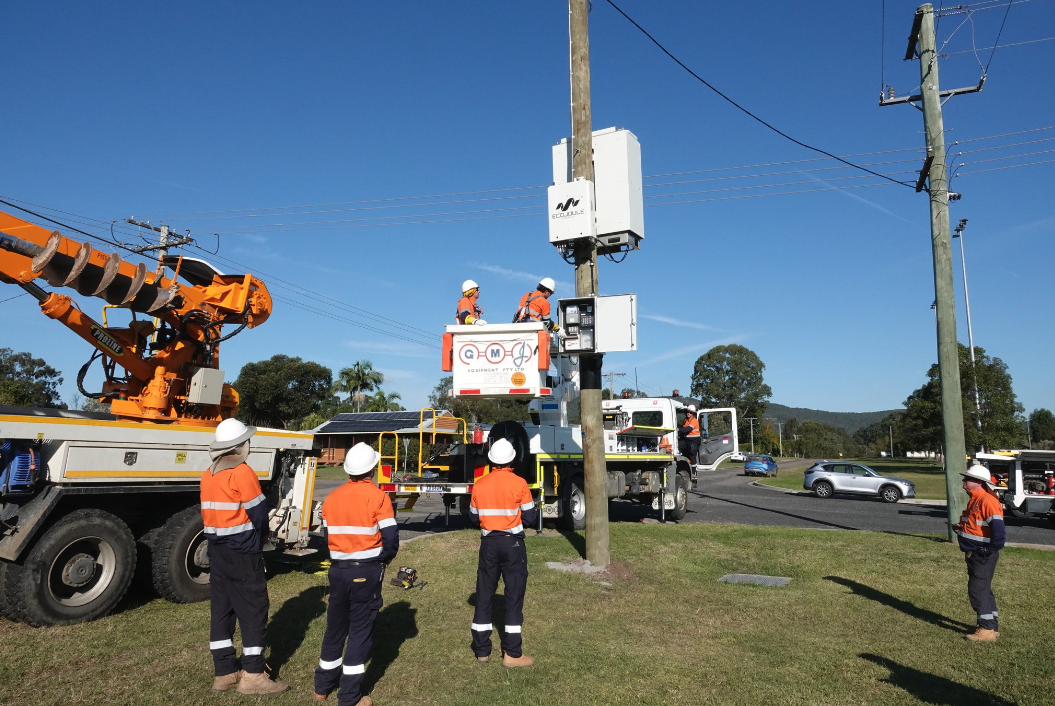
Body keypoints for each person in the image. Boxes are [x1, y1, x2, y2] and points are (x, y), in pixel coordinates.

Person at [201, 418, 288, 695]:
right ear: (240, 446)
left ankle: (224, 672)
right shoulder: (242, 472)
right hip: (242, 551)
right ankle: (253, 675)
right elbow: (259, 514)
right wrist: (263, 538)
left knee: (222, 610)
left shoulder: (208, 474)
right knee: (253, 610)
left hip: (217, 551)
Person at [314, 442, 399, 705]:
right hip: (366, 571)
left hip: (338, 571)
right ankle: (350, 696)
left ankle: (321, 688)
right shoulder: (378, 496)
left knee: (335, 628)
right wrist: (383, 559)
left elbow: (327, 537)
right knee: (360, 631)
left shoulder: (333, 497)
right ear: (372, 470)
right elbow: (391, 539)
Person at [469, 438, 537, 668]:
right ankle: (512, 653)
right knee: (513, 596)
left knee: (485, 594)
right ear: (512, 460)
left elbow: (472, 516)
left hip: (488, 543)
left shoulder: (480, 484)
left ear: (491, 460)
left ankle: (481, 651)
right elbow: (530, 517)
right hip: (512, 544)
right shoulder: (520, 483)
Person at [953, 463, 1006, 642]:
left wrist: (986, 550)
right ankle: (992, 625)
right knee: (984, 589)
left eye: (967, 479)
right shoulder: (975, 500)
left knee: (977, 590)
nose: (964, 481)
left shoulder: (987, 501)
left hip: (981, 555)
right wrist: (961, 528)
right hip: (976, 553)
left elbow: (999, 534)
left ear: (978, 482)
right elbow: (976, 526)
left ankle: (986, 629)